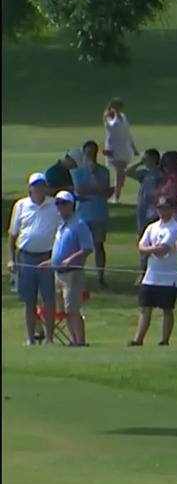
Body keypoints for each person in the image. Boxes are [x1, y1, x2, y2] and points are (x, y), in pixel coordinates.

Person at [8, 173, 61, 345]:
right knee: (29, 299)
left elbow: (62, 231)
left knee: (48, 298)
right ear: (30, 188)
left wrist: (58, 256)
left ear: (46, 187)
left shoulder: (54, 205)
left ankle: (50, 338)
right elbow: (12, 234)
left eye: (41, 186)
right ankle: (30, 338)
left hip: (47, 255)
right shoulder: (21, 205)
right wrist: (11, 259)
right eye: (35, 186)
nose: (39, 189)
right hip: (26, 256)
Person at [130, 196, 177, 347]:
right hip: (151, 275)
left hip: (169, 276)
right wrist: (152, 249)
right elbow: (141, 246)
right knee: (145, 308)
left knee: (167, 309)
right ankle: (138, 339)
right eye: (160, 208)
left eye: (165, 208)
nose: (162, 211)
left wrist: (150, 250)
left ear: (171, 209)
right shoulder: (152, 227)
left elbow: (164, 249)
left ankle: (164, 340)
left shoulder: (175, 228)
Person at [50, 191, 94, 347]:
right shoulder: (62, 225)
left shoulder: (79, 224)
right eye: (57, 204)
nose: (59, 207)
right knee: (64, 310)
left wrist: (70, 260)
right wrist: (51, 262)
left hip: (73, 273)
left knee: (73, 309)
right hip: (58, 273)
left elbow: (88, 248)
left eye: (63, 203)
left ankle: (80, 341)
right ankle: (73, 340)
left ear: (71, 205)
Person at [71, 141, 112, 288]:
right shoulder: (78, 172)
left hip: (99, 213)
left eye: (93, 152)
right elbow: (80, 190)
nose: (91, 155)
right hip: (83, 214)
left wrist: (94, 188)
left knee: (99, 245)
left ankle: (100, 276)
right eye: (88, 152)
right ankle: (77, 275)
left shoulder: (103, 171)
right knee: (79, 247)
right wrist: (97, 189)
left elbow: (105, 190)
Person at [127, 148, 164, 282]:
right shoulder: (145, 174)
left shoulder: (160, 175)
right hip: (142, 211)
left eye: (146, 158)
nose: (145, 161)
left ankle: (149, 271)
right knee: (142, 239)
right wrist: (139, 162)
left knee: (152, 241)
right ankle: (143, 269)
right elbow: (128, 172)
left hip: (153, 211)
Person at [103, 98, 139, 203]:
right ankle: (116, 198)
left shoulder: (123, 117)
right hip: (114, 150)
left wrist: (133, 147)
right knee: (120, 174)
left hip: (124, 149)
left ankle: (111, 192)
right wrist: (113, 114)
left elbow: (127, 133)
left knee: (122, 177)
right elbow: (111, 125)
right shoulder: (108, 118)